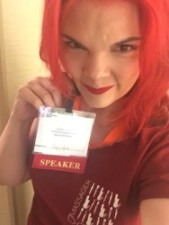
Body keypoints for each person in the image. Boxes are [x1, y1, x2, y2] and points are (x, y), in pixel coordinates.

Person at [0, 0, 169, 224]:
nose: (96, 73)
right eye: (75, 45)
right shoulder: (59, 99)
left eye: (124, 47)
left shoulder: (159, 134)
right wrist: (20, 118)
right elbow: (10, 175)